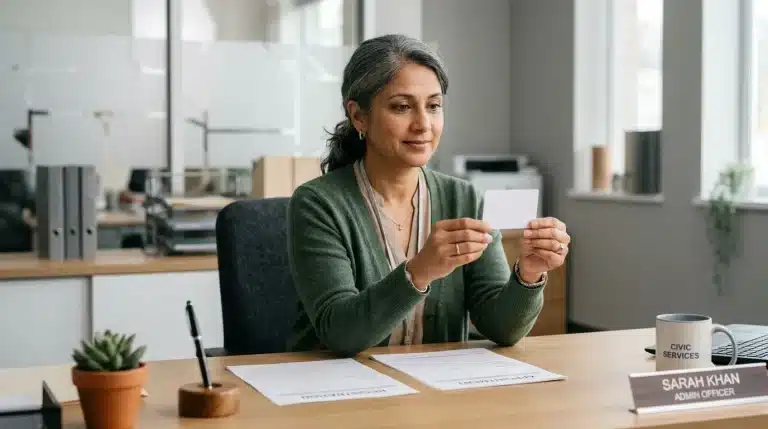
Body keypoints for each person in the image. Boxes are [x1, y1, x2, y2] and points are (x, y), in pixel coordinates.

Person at [286, 34, 570, 356]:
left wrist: (528, 274)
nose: (423, 124)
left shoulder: (462, 197)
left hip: (432, 393)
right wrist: (419, 271)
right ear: (359, 116)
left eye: (434, 106)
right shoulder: (318, 203)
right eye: (402, 107)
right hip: (334, 392)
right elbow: (339, 334)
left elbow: (502, 329)